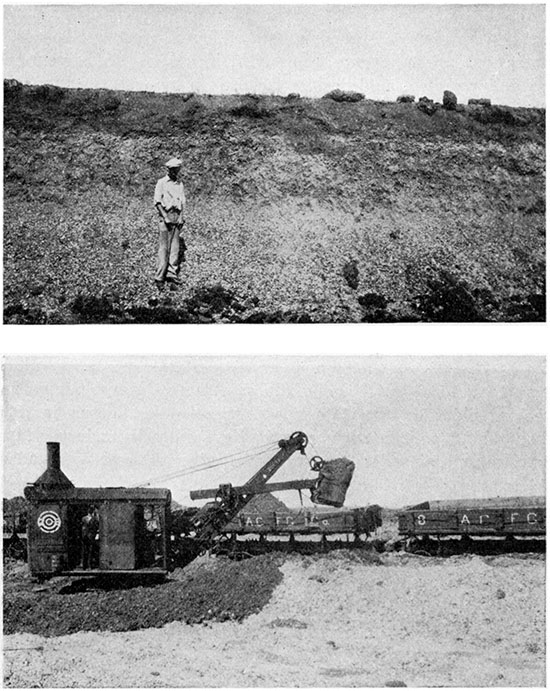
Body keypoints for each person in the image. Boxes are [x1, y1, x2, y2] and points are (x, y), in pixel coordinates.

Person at [153, 158, 187, 290]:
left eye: (176, 170)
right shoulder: (161, 183)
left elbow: (182, 201)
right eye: (172, 170)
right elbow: (157, 202)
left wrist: (182, 216)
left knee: (175, 248)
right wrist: (165, 216)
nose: (175, 172)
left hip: (176, 215)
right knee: (164, 248)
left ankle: (172, 274)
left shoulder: (179, 183)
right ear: (168, 170)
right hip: (165, 216)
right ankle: (159, 277)